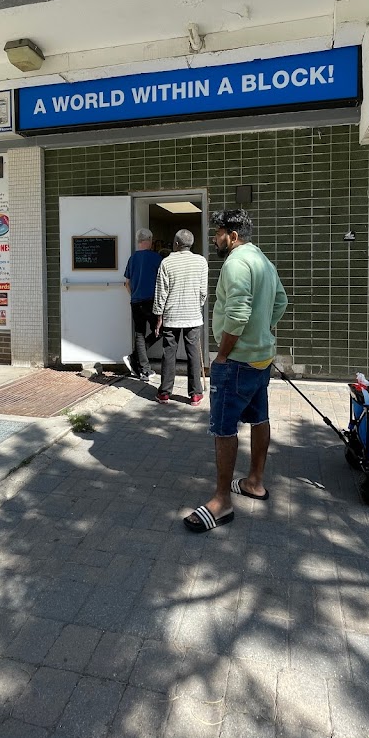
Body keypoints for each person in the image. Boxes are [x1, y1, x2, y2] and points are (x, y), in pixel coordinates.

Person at [184, 208, 288, 533]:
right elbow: (281, 301)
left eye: (218, 233)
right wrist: (262, 332)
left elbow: (239, 313)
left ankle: (222, 502)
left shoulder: (235, 263)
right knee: (259, 418)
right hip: (261, 358)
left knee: (224, 428)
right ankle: (254, 482)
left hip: (237, 361)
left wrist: (222, 355)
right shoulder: (263, 261)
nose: (215, 238)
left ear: (232, 235)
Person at [153, 229, 208, 405]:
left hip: (171, 315)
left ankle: (164, 393)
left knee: (169, 353)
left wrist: (159, 315)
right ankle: (195, 394)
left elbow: (161, 292)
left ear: (176, 244)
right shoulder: (201, 261)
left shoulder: (166, 262)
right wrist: (197, 306)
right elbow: (203, 291)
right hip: (193, 315)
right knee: (193, 353)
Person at [123, 228, 162, 382]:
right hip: (151, 301)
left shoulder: (132, 259)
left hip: (135, 301)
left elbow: (127, 283)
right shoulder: (156, 258)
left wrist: (133, 295)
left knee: (139, 333)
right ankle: (135, 358)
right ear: (150, 240)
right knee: (161, 330)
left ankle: (144, 369)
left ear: (138, 240)